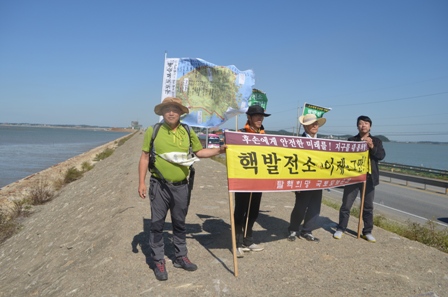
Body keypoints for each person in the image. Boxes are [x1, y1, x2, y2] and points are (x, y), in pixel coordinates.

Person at [138, 97, 226, 281]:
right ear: (162, 112)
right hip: (159, 185)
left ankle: (180, 256)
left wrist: (219, 150)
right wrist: (141, 182)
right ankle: (159, 261)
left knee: (179, 223)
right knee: (156, 224)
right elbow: (145, 156)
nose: (171, 112)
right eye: (167, 109)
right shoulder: (152, 131)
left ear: (180, 113)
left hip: (181, 186)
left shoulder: (187, 130)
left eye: (175, 109)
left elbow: (199, 152)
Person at [333, 115, 386, 242]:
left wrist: (372, 147)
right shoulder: (352, 140)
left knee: (368, 207)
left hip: (369, 178)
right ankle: (341, 228)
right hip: (353, 178)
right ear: (357, 126)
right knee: (346, 205)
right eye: (361, 123)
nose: (363, 125)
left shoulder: (376, 141)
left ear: (370, 126)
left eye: (366, 123)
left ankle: (367, 232)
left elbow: (381, 156)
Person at [234, 105, 270, 258]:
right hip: (242, 179)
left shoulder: (265, 135)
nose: (259, 119)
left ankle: (248, 239)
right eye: (256, 116)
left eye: (261, 116)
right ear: (249, 117)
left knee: (253, 211)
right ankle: (236, 242)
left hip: (258, 179)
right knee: (240, 210)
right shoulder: (239, 134)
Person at [287, 114, 327, 243]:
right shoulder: (298, 141)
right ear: (305, 126)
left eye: (316, 123)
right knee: (300, 205)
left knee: (315, 207)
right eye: (311, 123)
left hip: (318, 179)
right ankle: (293, 229)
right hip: (303, 179)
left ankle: (307, 230)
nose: (315, 126)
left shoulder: (324, 142)